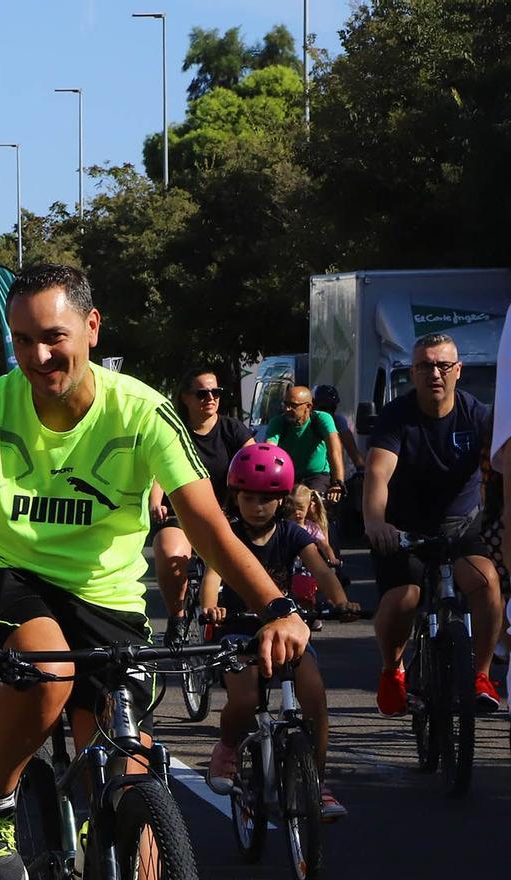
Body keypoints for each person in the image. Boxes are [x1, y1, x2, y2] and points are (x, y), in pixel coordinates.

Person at [0, 263, 308, 880]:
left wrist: (278, 608)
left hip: (106, 598)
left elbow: (209, 527)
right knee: (49, 669)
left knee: (130, 784)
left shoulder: (142, 410)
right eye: (23, 340)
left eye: (53, 337)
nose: (38, 356)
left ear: (92, 327)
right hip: (8, 577)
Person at [199, 442, 356, 820]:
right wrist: (211, 606)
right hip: (238, 632)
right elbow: (212, 575)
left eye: (267, 499)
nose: (258, 506)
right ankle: (227, 749)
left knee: (314, 696)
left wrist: (341, 601)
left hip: (285, 631)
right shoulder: (228, 534)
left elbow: (322, 571)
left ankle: (317, 781)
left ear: (282, 499)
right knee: (245, 698)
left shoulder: (293, 534)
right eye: (249, 498)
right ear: (235, 497)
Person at [362, 331, 503, 714]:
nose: (435, 373)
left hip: (461, 526)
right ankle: (393, 670)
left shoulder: (477, 415)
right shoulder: (397, 417)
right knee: (404, 598)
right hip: (404, 531)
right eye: (425, 366)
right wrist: (375, 521)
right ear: (413, 373)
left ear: (458, 370)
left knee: (487, 582)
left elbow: (501, 464)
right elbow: (378, 472)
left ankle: (481, 674)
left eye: (443, 365)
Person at [150, 368, 255, 626]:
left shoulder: (233, 429)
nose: (210, 398)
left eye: (215, 392)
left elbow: (255, 462)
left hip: (227, 514)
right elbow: (159, 473)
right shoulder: (174, 431)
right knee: (169, 553)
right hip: (181, 513)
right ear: (185, 397)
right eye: (202, 393)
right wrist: (155, 502)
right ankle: (177, 618)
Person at [261, 385, 347, 504]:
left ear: (308, 406)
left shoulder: (322, 418)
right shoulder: (278, 422)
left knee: (313, 505)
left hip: (317, 476)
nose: (287, 409)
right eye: (286, 404)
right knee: (285, 507)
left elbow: (335, 451)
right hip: (289, 476)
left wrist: (338, 482)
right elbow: (269, 451)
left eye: (293, 405)